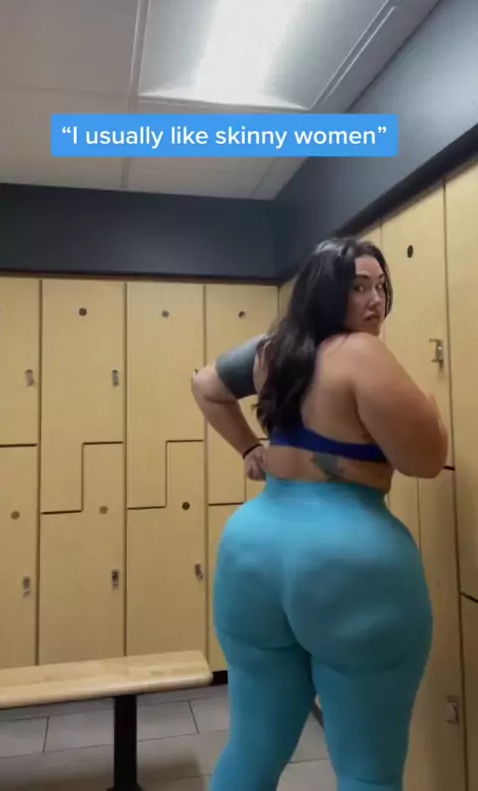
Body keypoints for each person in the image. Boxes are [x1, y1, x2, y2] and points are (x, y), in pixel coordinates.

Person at [191, 237, 448, 791]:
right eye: (359, 287)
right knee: (367, 773)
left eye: (382, 287)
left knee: (251, 750)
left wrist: (249, 448)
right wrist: (429, 410)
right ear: (326, 292)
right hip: (350, 560)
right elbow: (426, 461)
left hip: (253, 549)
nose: (376, 300)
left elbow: (205, 385)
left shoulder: (271, 352)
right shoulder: (360, 352)